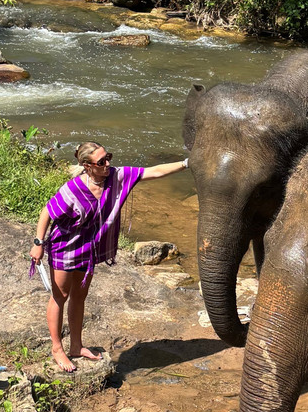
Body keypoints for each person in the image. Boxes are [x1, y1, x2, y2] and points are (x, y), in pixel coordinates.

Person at [30, 141, 189, 372]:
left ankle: (76, 346)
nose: (108, 164)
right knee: (60, 295)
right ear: (87, 166)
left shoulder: (117, 177)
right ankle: (57, 348)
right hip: (64, 247)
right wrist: (38, 243)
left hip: (88, 249)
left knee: (79, 296)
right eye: (102, 161)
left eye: (109, 157)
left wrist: (186, 163)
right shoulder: (72, 190)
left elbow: (153, 171)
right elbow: (47, 212)